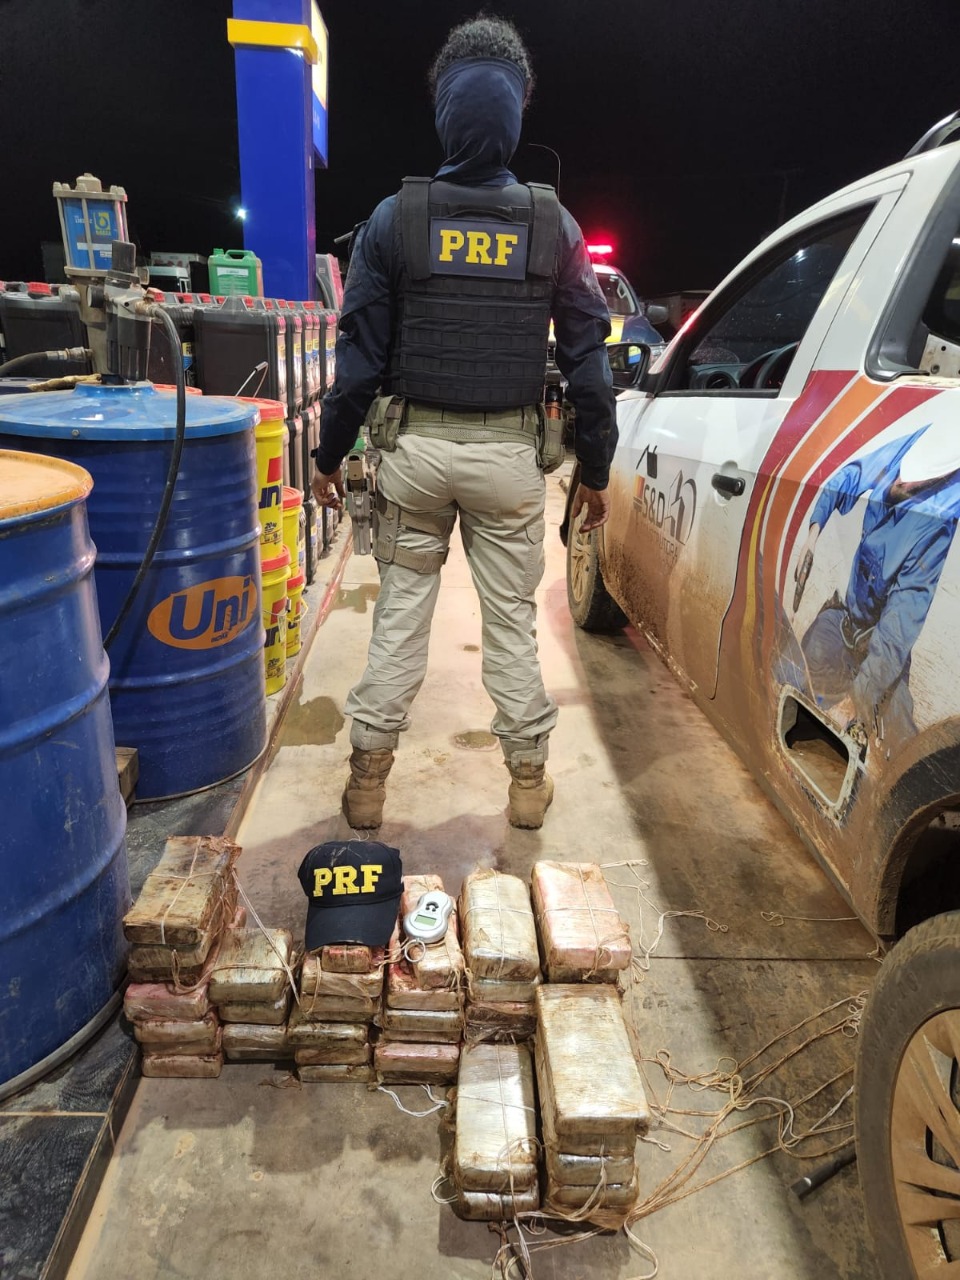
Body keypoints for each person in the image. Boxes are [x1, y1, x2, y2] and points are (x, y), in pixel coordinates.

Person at [311, 15, 618, 830]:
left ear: (445, 112)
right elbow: (590, 368)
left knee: (400, 615)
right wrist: (595, 471)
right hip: (509, 463)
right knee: (511, 625)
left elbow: (357, 365)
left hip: (413, 456)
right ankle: (527, 785)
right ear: (514, 115)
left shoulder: (395, 219)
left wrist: (328, 456)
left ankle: (368, 783)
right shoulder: (553, 226)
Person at [794, 421, 960, 747]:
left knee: (895, 738)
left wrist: (858, 700)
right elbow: (850, 476)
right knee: (798, 665)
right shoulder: (911, 447)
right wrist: (812, 535)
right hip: (847, 624)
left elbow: (896, 630)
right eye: (898, 475)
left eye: (908, 482)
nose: (898, 481)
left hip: (880, 648)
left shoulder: (935, 525)